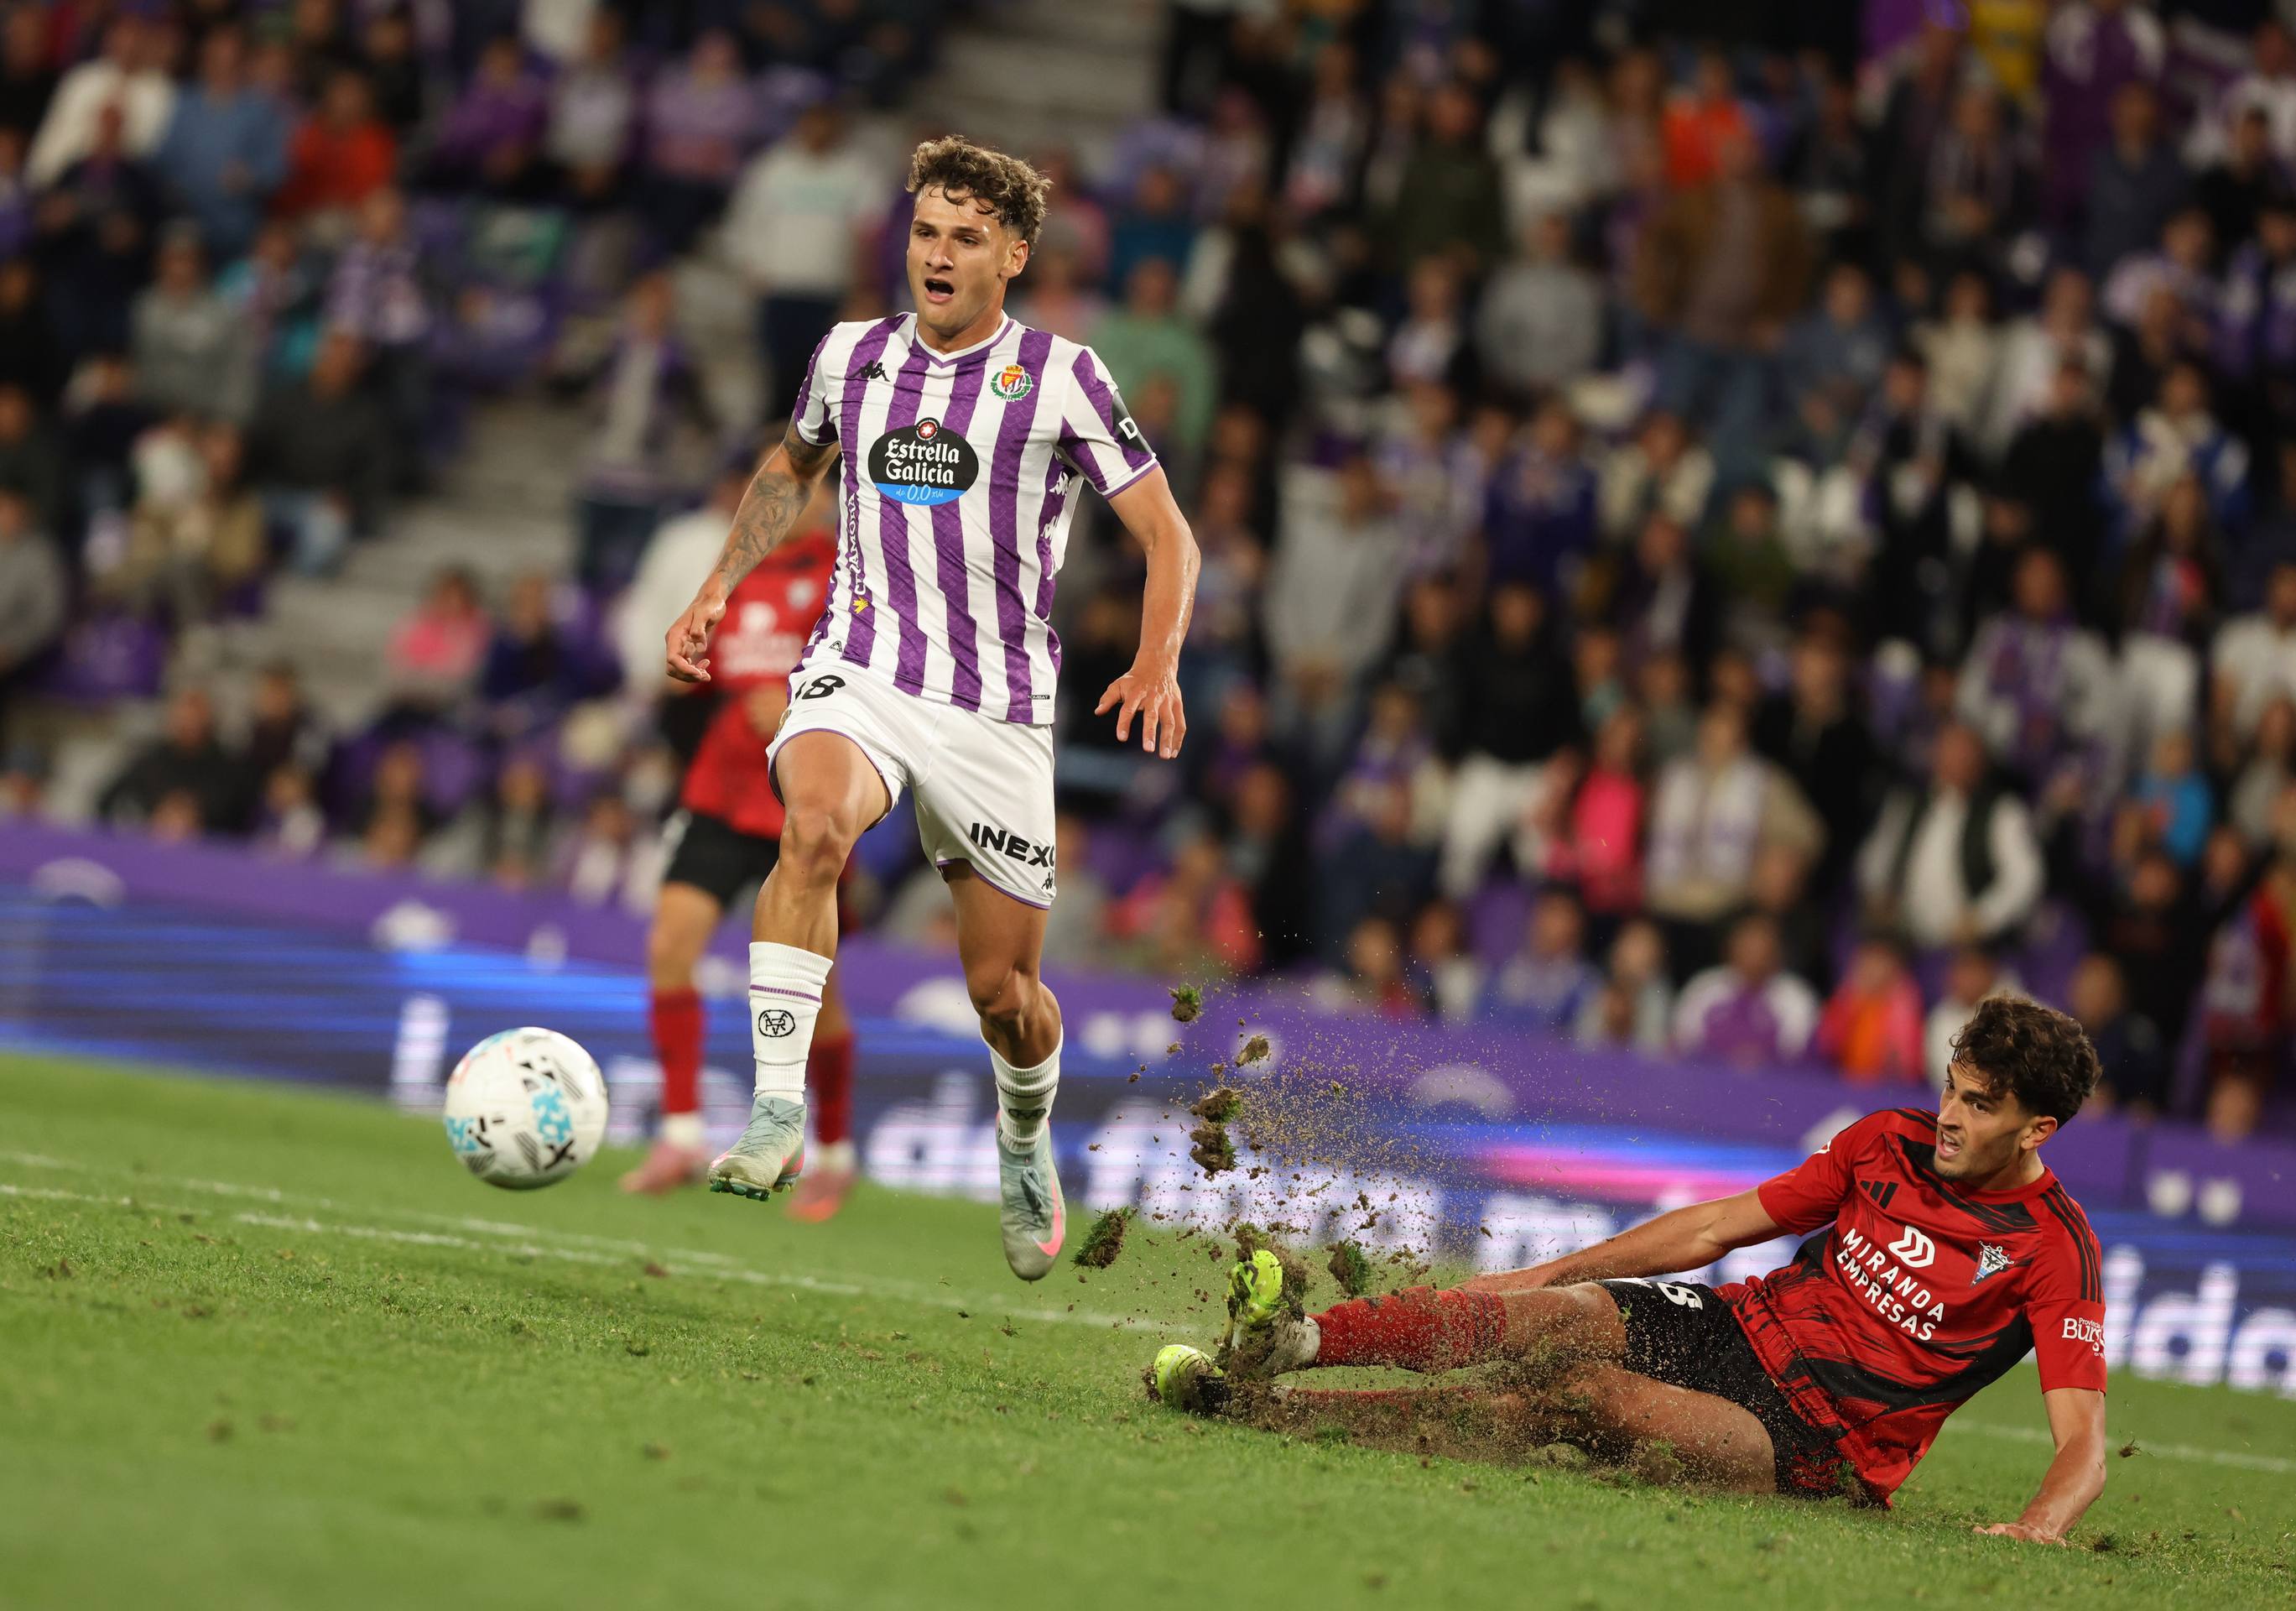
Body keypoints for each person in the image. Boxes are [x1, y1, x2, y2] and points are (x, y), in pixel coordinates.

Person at [664, 138, 1200, 1280]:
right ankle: (771, 1114)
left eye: (964, 238)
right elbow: (788, 469)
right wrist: (717, 585)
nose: (937, 256)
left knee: (1004, 994)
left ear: (1013, 256)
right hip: (859, 670)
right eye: (923, 234)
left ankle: (1022, 1133)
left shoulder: (1061, 377)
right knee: (809, 830)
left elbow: (1166, 533)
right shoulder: (850, 358)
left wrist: (1157, 658)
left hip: (996, 710)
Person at [1152, 996, 2111, 1541]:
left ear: (2036, 1128)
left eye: (1979, 1106)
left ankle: (1258, 1413)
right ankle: (1295, 1341)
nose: (1949, 1114)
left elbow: (2083, 1444)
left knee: (1577, 1398)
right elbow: (1716, 1230)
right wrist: (1558, 1276)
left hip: (1812, 1443)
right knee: (1559, 1318)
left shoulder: (2053, 1249)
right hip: (1734, 1326)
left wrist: (2039, 1527)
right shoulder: (1884, 1143)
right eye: (1951, 1087)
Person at [624, 509, 857, 1216]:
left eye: (796, 490)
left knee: (820, 998)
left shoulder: (846, 574)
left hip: (801, 800)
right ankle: (681, 1134)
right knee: (669, 946)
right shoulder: (733, 576)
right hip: (719, 793)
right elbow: (698, 672)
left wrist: (792, 699)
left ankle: (836, 1153)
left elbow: (874, 674)